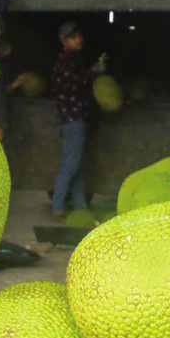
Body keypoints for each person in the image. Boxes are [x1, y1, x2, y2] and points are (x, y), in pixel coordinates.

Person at [50, 22, 103, 221]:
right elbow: (72, 85)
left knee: (77, 165)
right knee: (70, 165)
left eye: (80, 35)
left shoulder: (74, 60)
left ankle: (80, 205)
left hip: (77, 119)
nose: (79, 39)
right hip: (73, 119)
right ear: (65, 41)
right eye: (73, 37)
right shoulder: (64, 61)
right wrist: (94, 71)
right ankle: (58, 206)